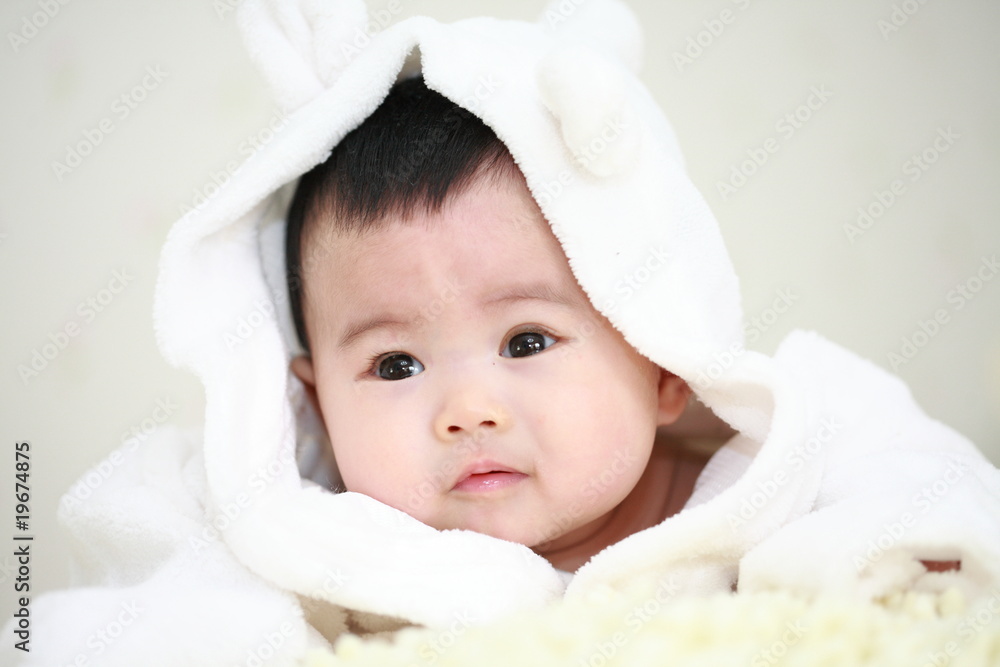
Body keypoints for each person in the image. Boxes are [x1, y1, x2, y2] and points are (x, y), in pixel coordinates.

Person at [7, 1, 998, 666]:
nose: (466, 409)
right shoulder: (307, 535)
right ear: (310, 401)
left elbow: (920, 490)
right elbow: (160, 604)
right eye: (395, 362)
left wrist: (903, 555)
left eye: (526, 341)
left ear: (660, 355)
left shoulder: (767, 469)